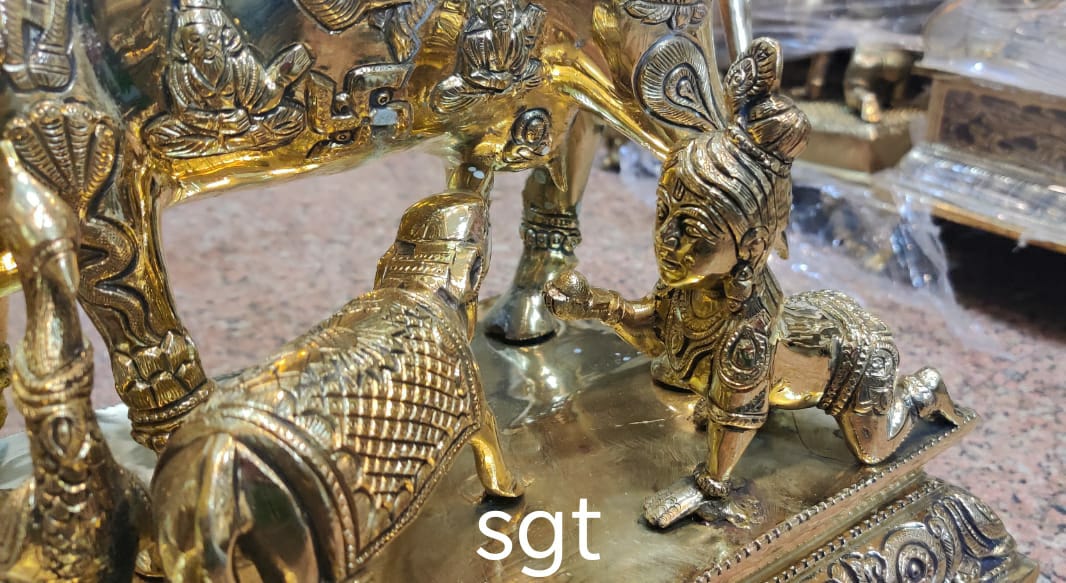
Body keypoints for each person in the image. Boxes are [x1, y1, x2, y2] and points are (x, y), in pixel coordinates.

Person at [143, 0, 310, 158]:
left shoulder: (240, 61)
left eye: (211, 39)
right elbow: (184, 113)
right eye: (195, 41)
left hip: (245, 125)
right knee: (157, 135)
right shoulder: (179, 74)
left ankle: (227, 144)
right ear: (182, 43)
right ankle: (238, 143)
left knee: (293, 118)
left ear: (223, 37)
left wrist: (280, 80)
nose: (205, 48)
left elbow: (258, 99)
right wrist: (219, 123)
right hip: (205, 131)